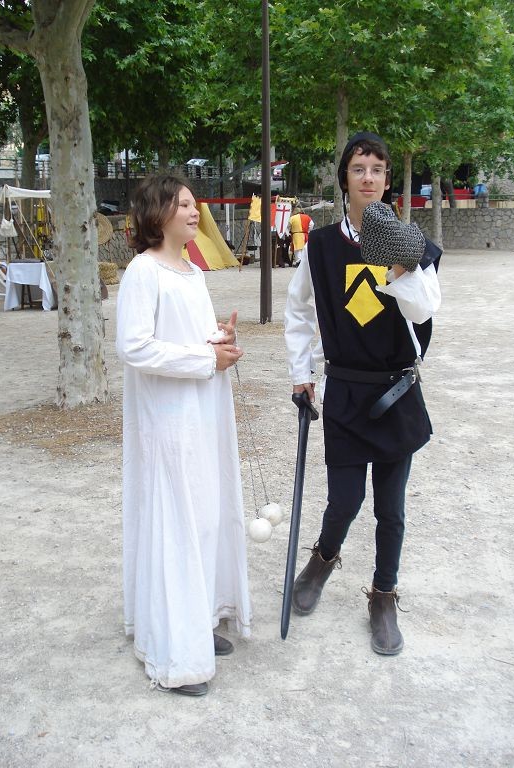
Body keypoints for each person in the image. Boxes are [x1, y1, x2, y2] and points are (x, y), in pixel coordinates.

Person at [284, 132, 441, 655]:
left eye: (377, 169)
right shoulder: (321, 246)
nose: (368, 177)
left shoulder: (414, 245)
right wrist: (302, 373)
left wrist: (402, 265)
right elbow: (299, 310)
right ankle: (323, 560)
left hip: (396, 391)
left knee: (390, 509)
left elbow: (423, 312)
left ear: (387, 179)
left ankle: (383, 596)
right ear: (344, 179)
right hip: (347, 390)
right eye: (358, 168)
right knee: (345, 499)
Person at [116, 175, 250, 696]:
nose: (196, 212)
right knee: (177, 520)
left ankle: (196, 618)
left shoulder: (192, 271)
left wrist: (220, 340)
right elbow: (135, 347)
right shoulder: (142, 271)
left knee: (205, 513)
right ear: (159, 213)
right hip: (169, 418)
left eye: (196, 204)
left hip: (203, 411)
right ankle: (175, 651)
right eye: (185, 205)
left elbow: (188, 337)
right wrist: (204, 357)